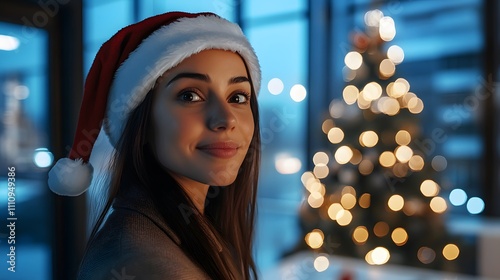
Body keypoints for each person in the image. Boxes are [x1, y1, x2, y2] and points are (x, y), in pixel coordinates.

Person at [47, 11, 261, 279]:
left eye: (238, 97)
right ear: (142, 123)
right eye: (190, 95)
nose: (226, 118)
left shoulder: (195, 231)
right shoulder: (143, 266)